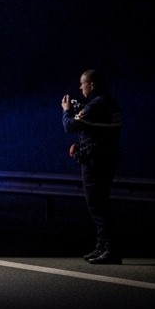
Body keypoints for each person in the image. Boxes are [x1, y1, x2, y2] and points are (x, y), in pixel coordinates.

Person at [62, 68, 123, 265]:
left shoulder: (98, 105)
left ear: (92, 84)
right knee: (99, 204)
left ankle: (110, 249)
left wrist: (67, 111)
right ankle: (102, 246)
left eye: (83, 83)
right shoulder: (108, 103)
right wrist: (79, 147)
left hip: (97, 162)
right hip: (104, 158)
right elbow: (97, 132)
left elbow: (70, 126)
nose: (80, 87)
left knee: (97, 205)